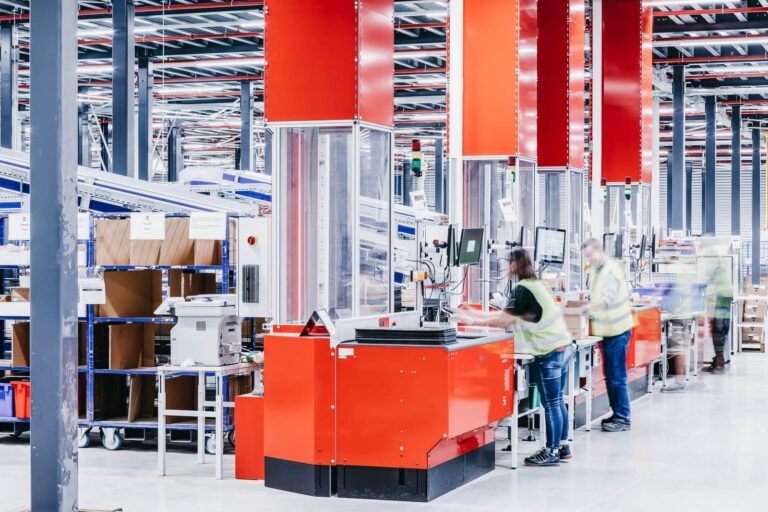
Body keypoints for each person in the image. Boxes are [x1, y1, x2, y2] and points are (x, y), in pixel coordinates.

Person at [456, 247, 574, 467]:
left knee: (551, 403)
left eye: (508, 263)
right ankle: (563, 446)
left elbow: (503, 321)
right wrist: (472, 314)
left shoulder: (521, 289)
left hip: (549, 351)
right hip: (563, 346)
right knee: (558, 401)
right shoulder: (537, 285)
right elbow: (506, 316)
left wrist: (472, 322)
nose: (506, 267)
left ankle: (551, 451)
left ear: (514, 264)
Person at [582, 238, 635, 432]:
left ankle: (622, 418)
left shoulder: (611, 269)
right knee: (610, 375)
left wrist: (585, 309)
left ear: (600, 250)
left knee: (617, 376)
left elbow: (606, 299)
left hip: (617, 330)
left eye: (590, 255)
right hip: (607, 331)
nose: (589, 260)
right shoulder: (597, 271)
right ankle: (617, 414)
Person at [702, 255, 733, 371]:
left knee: (717, 333)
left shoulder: (717, 271)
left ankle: (719, 360)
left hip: (719, 306)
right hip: (725, 306)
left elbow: (711, 288)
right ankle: (719, 359)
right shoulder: (723, 269)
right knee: (722, 333)